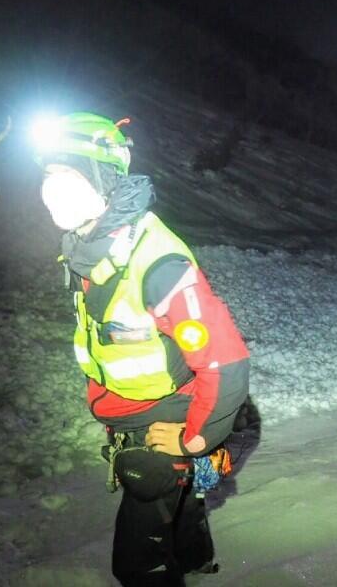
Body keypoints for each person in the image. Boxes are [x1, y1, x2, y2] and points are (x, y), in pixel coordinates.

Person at [31, 111, 251, 586]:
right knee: (183, 499)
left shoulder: (156, 261)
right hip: (132, 411)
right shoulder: (88, 247)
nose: (53, 188)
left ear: (104, 181)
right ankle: (198, 562)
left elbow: (226, 361)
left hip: (164, 420)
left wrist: (194, 439)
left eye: (69, 175)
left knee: (136, 564)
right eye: (49, 175)